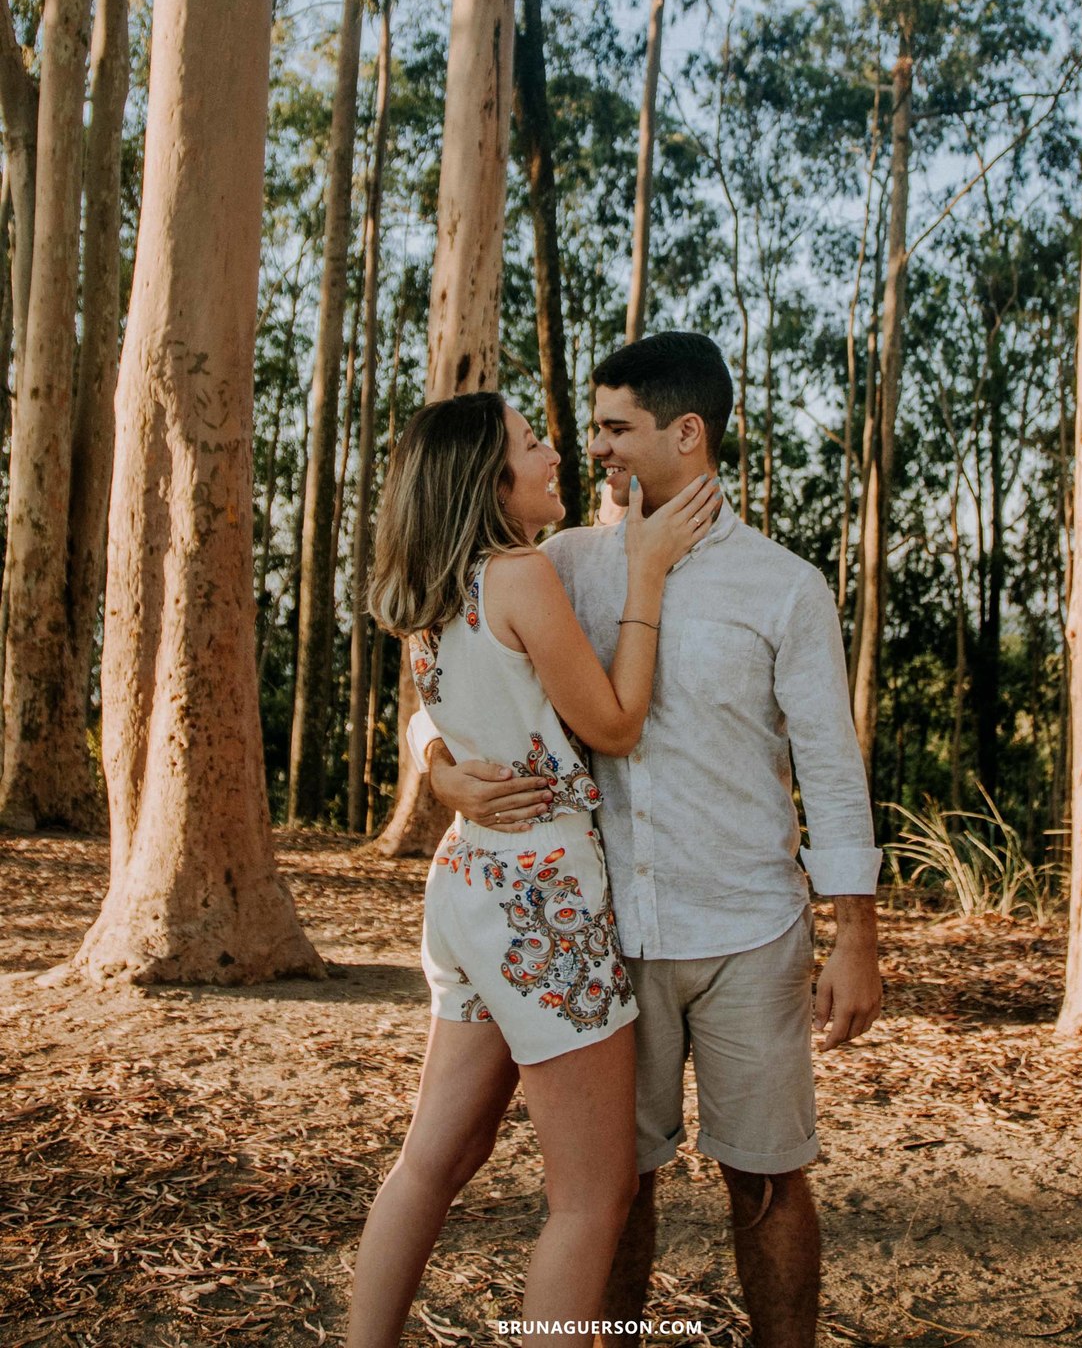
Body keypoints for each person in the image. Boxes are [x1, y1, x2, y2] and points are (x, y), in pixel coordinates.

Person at [416, 333, 883, 1348]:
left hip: (749, 932)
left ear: (687, 432)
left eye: (617, 428)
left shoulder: (786, 588)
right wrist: (435, 765)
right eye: (591, 429)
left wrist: (856, 935)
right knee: (611, 1195)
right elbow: (443, 655)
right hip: (606, 932)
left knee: (767, 1181)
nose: (598, 449)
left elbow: (832, 770)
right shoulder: (561, 564)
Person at [345, 389, 722, 1348]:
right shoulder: (517, 575)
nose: (555, 451)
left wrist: (437, 769)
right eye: (531, 443)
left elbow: (432, 713)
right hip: (543, 902)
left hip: (469, 884)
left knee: (436, 1156)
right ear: (489, 477)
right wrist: (645, 574)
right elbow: (615, 725)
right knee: (592, 1197)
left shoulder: (435, 589)